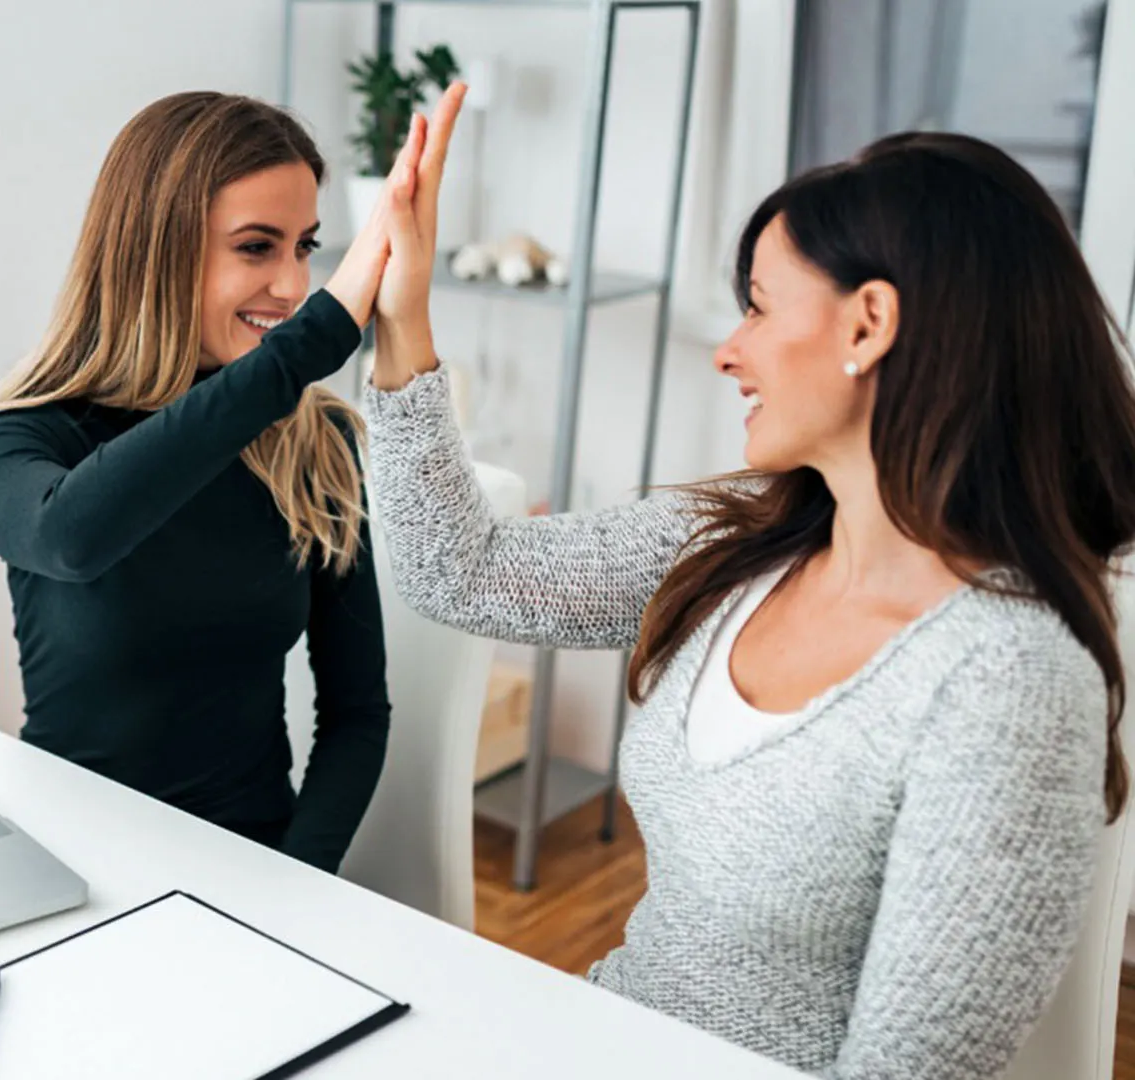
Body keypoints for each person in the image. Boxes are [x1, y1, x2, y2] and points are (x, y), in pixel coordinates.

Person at [364, 86, 1135, 1078]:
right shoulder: (739, 541)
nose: (729, 351)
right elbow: (457, 575)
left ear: (870, 325)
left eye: (761, 308)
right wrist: (405, 313)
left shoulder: (1009, 684)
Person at [0, 91, 427, 872]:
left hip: (251, 865)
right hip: (64, 862)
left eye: (306, 247)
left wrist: (292, 887)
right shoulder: (21, 433)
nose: (291, 284)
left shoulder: (319, 444)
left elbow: (357, 714)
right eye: (255, 247)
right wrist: (325, 333)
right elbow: (70, 540)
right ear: (156, 248)